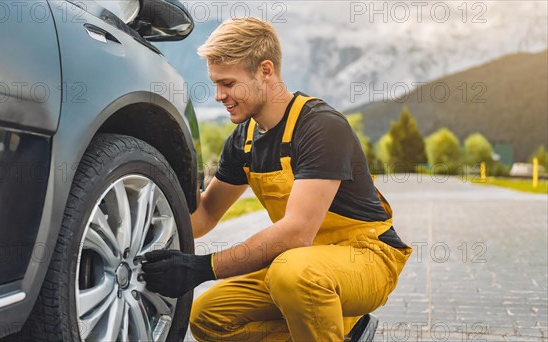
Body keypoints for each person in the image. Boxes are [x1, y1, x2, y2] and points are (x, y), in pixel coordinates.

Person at [141, 17, 412, 341]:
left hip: (366, 258)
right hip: (302, 262)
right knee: (208, 317)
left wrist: (200, 268)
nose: (218, 95)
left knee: (293, 273)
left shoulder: (321, 127)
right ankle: (348, 331)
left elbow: (297, 232)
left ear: (265, 71)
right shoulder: (243, 141)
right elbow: (205, 217)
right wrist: (164, 194)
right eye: (215, 83)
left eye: (227, 83)